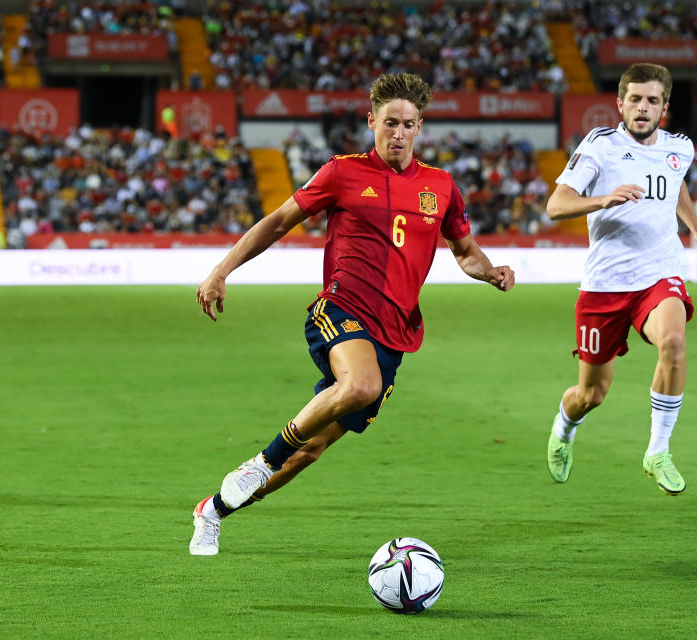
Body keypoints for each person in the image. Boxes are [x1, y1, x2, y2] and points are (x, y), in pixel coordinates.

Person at [190, 72, 515, 555]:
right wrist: (222, 269)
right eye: (389, 123)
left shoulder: (441, 186)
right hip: (341, 309)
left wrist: (489, 271)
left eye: (407, 125)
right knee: (358, 385)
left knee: (311, 451)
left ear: (420, 126)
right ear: (372, 121)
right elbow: (280, 220)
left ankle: (213, 511)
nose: (398, 133)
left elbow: (464, 250)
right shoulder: (342, 172)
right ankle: (261, 461)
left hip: (395, 334)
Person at [544, 63, 697, 495]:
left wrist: (695, 227)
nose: (642, 108)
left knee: (674, 342)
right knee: (591, 394)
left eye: (652, 100)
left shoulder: (681, 147)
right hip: (605, 284)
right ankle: (564, 429)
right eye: (635, 99)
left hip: (659, 272)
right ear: (620, 104)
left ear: (665, 107)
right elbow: (557, 205)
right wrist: (604, 199)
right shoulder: (600, 147)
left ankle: (658, 451)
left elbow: (675, 181)